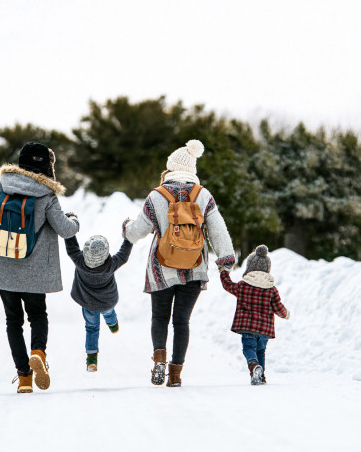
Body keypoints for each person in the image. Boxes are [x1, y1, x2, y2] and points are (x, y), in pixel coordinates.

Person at [0, 141, 79, 393]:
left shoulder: (1, 187)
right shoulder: (46, 194)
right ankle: (38, 353)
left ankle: (24, 378)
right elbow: (65, 230)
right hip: (35, 271)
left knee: (13, 320)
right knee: (37, 315)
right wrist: (74, 219)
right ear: (47, 166)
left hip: (3, 268)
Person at [123, 139, 235, 387]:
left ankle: (159, 358)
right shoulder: (203, 195)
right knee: (182, 321)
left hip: (161, 268)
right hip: (195, 267)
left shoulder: (156, 195)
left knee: (160, 318)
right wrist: (226, 261)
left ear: (170, 168)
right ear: (192, 170)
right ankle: (175, 375)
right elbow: (218, 230)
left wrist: (126, 230)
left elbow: (137, 231)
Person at [219, 244, 290, 385]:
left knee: (249, 349)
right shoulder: (271, 289)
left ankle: (253, 366)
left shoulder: (242, 285)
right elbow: (277, 307)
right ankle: (261, 376)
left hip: (248, 327)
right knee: (261, 351)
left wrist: (223, 272)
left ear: (250, 267)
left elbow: (228, 285)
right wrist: (285, 314)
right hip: (264, 329)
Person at [64, 233, 133, 371]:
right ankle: (113, 325)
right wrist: (129, 237)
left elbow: (72, 247)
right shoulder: (111, 264)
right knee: (109, 313)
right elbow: (123, 255)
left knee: (91, 328)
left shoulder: (79, 261)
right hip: (107, 302)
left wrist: (69, 226)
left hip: (88, 304)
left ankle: (91, 360)